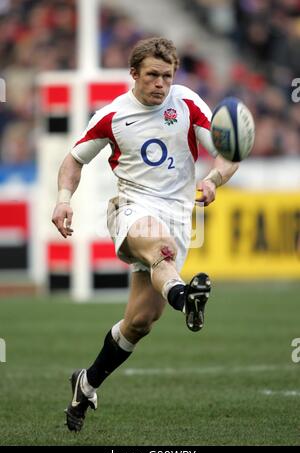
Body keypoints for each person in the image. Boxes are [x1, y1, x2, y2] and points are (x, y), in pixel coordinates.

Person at [51, 37, 239, 432]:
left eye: (167, 76)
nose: (160, 84)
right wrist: (64, 199)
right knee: (159, 248)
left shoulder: (186, 103)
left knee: (139, 322)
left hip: (177, 216)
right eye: (152, 75)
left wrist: (214, 178)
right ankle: (186, 297)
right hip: (131, 209)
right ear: (134, 74)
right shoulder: (112, 116)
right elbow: (73, 159)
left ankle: (86, 383)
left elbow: (227, 152)